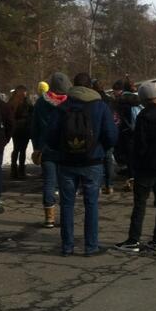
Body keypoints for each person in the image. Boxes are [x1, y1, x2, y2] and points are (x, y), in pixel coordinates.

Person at [47, 72, 117, 256]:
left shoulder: (62, 107)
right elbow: (111, 135)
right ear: (90, 86)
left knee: (67, 204)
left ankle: (67, 246)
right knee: (91, 203)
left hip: (66, 161)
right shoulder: (100, 106)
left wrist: (61, 149)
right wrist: (101, 148)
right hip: (92, 161)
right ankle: (91, 246)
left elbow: (51, 136)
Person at [115, 82, 156, 254]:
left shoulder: (144, 116)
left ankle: (134, 239)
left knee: (140, 205)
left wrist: (133, 164)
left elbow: (139, 145)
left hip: (146, 166)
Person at [31, 72, 72, 228]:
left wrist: (36, 147)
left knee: (49, 182)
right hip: (66, 148)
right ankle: (66, 217)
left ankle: (49, 217)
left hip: (46, 147)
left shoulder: (41, 102)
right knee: (66, 183)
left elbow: (35, 127)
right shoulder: (69, 102)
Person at [112, 78, 141, 191]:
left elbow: (117, 118)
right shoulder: (136, 98)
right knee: (136, 156)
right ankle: (136, 179)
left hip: (126, 132)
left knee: (129, 159)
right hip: (136, 131)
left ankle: (131, 179)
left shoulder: (119, 101)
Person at [92, 79, 116, 194]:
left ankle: (98, 185)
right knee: (108, 160)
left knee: (98, 161)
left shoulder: (93, 101)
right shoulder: (110, 100)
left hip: (96, 134)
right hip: (108, 131)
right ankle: (109, 185)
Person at [8, 85, 32, 179]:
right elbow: (31, 113)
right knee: (22, 150)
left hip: (16, 129)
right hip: (24, 128)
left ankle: (14, 170)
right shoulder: (26, 103)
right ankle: (21, 170)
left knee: (16, 149)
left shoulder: (12, 102)